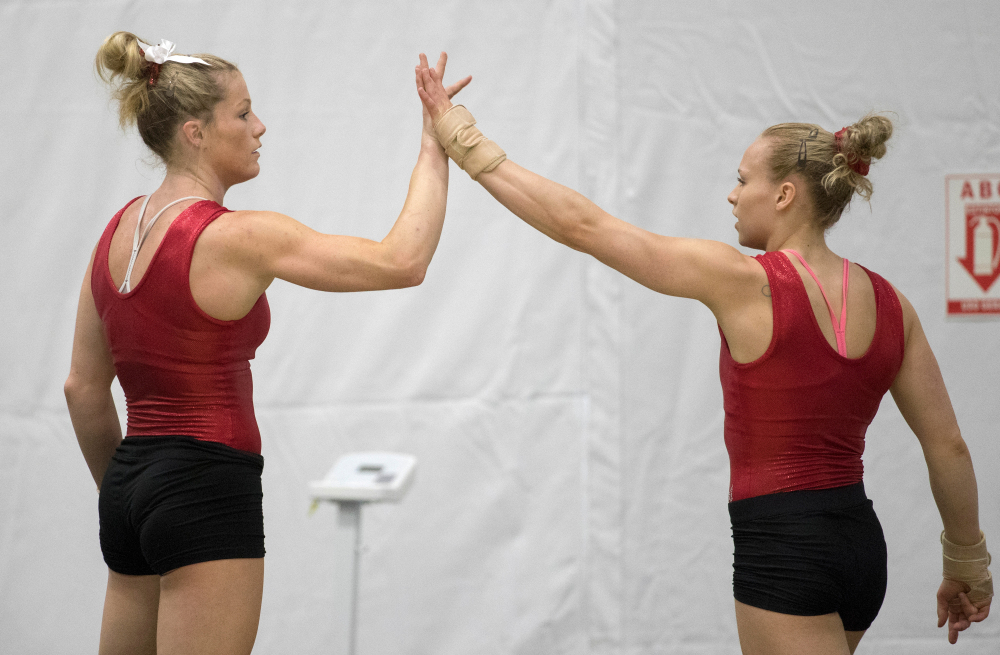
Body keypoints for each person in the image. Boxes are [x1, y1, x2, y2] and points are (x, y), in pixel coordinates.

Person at [415, 56, 992, 654]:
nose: (733, 193)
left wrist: (461, 139)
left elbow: (584, 227)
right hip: (859, 544)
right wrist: (967, 562)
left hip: (784, 548)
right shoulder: (893, 304)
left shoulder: (744, 280)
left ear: (786, 194)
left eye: (744, 180)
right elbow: (947, 444)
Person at [63, 32, 469, 655]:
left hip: (129, 489)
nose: (260, 126)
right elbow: (402, 260)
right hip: (203, 482)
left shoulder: (115, 233)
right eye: (243, 112)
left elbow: (82, 388)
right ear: (195, 132)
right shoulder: (238, 237)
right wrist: (433, 146)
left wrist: (132, 493)